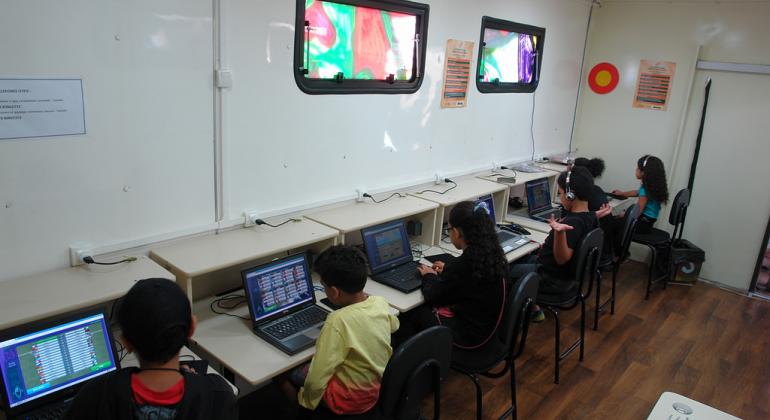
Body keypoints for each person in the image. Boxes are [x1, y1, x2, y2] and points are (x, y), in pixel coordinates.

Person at [65, 278, 238, 420]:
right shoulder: (218, 395)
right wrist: (196, 384)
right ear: (191, 328)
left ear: (126, 342)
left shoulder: (94, 396)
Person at [288, 245, 399, 418]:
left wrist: (307, 400)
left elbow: (317, 379)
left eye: (323, 286)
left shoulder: (337, 321)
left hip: (346, 402)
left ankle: (305, 411)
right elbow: (394, 325)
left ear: (333, 292)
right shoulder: (379, 302)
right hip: (373, 391)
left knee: (290, 374)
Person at [395, 200, 509, 349]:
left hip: (468, 339)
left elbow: (434, 296)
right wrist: (449, 268)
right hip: (487, 331)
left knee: (412, 313)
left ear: (456, 232)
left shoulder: (466, 264)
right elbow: (465, 278)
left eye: (448, 229)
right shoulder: (491, 253)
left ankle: (411, 364)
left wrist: (429, 275)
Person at [510, 167, 605, 321]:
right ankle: (532, 306)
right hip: (565, 278)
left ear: (570, 194)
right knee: (523, 259)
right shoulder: (589, 216)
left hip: (550, 279)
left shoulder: (572, 223)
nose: (560, 197)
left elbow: (562, 258)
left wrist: (559, 233)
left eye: (560, 193)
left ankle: (526, 314)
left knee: (503, 271)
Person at [611, 154, 669, 234]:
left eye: (637, 168)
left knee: (610, 223)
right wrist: (622, 193)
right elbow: (637, 192)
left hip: (641, 224)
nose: (636, 169)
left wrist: (623, 215)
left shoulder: (645, 189)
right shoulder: (651, 186)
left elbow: (637, 212)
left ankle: (615, 246)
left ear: (644, 172)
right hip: (648, 222)